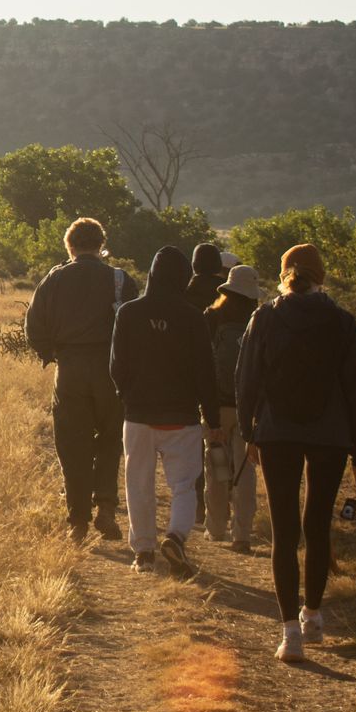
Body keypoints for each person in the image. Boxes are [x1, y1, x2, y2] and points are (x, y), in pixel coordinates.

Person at [238, 243, 356, 662]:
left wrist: (249, 432)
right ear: (323, 276)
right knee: (317, 526)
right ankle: (313, 616)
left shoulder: (265, 317)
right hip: (330, 435)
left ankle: (289, 635)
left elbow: (246, 378)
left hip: (276, 432)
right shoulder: (342, 321)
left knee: (284, 532)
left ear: (284, 275)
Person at [25, 217, 140, 544]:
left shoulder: (54, 279)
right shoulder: (121, 279)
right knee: (110, 440)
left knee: (72, 444)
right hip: (111, 370)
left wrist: (52, 353)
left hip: (70, 369)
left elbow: (33, 327)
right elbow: (134, 326)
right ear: (101, 245)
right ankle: (106, 506)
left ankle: (77, 521)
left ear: (69, 245)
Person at [109, 245, 221, 576]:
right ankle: (176, 537)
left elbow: (117, 365)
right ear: (183, 277)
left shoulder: (128, 312)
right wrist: (212, 419)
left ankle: (144, 553)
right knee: (184, 485)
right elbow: (206, 372)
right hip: (182, 417)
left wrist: (127, 395)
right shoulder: (193, 317)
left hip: (139, 415)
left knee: (138, 485)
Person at [202, 262, 262, 553]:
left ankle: (215, 528)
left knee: (217, 467)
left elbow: (202, 363)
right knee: (245, 471)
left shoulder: (211, 317)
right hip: (249, 409)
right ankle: (242, 535)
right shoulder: (260, 320)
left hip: (216, 408)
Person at [186, 243, 227, 528]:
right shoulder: (228, 294)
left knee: (193, 443)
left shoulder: (185, 293)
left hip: (190, 376)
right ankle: (224, 503)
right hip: (223, 380)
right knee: (221, 440)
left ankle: (198, 505)